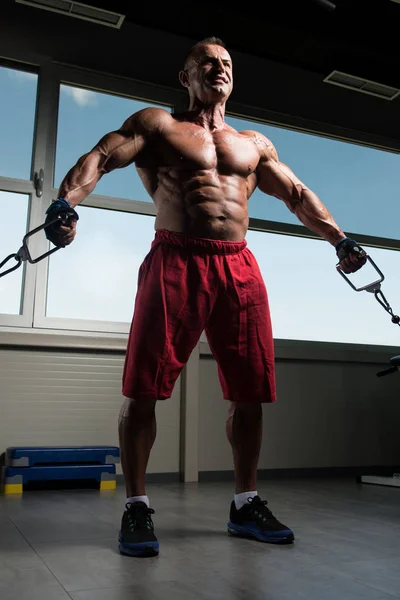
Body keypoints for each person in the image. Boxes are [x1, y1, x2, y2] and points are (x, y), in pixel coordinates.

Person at [45, 36, 366, 558]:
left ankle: (246, 502)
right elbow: (102, 157)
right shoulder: (158, 126)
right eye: (207, 62)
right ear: (185, 76)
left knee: (250, 391)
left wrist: (341, 239)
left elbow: (298, 195)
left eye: (226, 64)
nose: (219, 69)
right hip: (175, 259)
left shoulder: (254, 144)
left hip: (238, 268)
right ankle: (137, 505)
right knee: (143, 387)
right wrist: (64, 203)